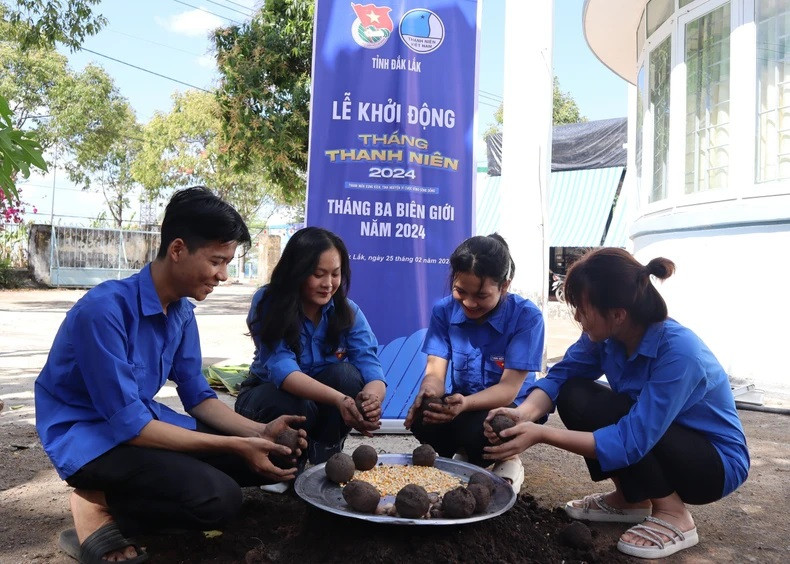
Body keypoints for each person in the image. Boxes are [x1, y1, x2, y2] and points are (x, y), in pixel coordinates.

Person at [35, 187, 307, 564]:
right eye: (216, 261)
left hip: (141, 427)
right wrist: (235, 444)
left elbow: (198, 396)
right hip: (90, 439)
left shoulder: (180, 312)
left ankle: (129, 498)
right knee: (219, 498)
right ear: (177, 249)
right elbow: (131, 427)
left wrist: (259, 433)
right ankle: (95, 501)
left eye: (227, 263)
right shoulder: (103, 311)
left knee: (284, 458)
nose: (223, 276)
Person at [484, 248, 749, 559]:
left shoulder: (680, 353)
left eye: (581, 309)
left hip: (710, 464)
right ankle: (630, 499)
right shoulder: (607, 336)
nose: (577, 318)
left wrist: (541, 434)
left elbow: (632, 439)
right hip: (656, 437)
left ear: (617, 314)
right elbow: (561, 376)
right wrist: (523, 413)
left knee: (623, 415)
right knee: (576, 394)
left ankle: (674, 514)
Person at [235, 226, 386, 471]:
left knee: (346, 376)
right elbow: (284, 372)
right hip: (265, 397)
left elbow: (371, 368)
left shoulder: (347, 312)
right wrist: (340, 400)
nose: (328, 284)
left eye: (335, 274)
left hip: (315, 404)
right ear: (296, 271)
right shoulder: (269, 302)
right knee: (297, 403)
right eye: (318, 274)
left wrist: (371, 401)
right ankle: (285, 461)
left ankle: (326, 460)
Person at [404, 234, 545, 492]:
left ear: (504, 286)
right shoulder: (443, 311)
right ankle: (467, 454)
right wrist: (429, 391)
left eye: (481, 295)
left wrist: (465, 404)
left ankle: (508, 458)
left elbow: (508, 390)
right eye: (460, 291)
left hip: (510, 406)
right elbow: (435, 371)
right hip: (466, 403)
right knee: (424, 414)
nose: (469, 303)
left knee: (488, 427)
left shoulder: (527, 317)